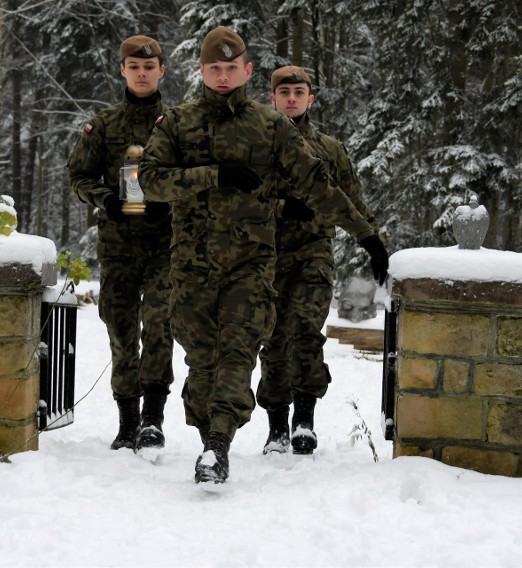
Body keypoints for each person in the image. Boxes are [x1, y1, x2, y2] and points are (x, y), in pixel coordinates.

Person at [138, 27, 389, 484]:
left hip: (251, 266)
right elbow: (149, 181)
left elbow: (318, 185)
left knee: (238, 353)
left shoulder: (269, 126)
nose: (222, 75)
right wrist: (212, 175)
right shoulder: (178, 123)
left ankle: (217, 446)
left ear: (247, 71)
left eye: (231, 68)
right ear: (201, 70)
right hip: (192, 267)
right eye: (214, 67)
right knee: (202, 362)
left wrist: (366, 235)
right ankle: (209, 431)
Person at [257, 65, 382, 456]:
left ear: (310, 98)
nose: (291, 98)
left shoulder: (329, 148)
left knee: (306, 333)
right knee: (273, 338)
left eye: (299, 92)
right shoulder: (258, 145)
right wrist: (279, 207)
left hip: (314, 254)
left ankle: (304, 423)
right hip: (267, 257)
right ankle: (277, 428)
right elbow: (240, 201)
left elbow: (352, 200)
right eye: (284, 92)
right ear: (272, 98)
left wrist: (374, 240)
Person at [68, 35, 174, 452]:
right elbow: (79, 176)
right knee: (121, 328)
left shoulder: (178, 122)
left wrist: (173, 202)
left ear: (162, 70)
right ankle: (127, 421)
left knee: (161, 324)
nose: (142, 73)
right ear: (123, 71)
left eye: (149, 66)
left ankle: (152, 419)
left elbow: (195, 175)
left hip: (166, 244)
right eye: (134, 66)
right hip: (118, 245)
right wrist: (105, 200)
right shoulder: (104, 124)